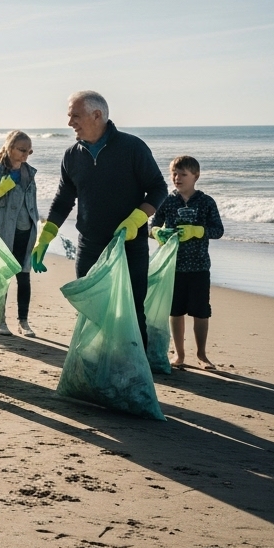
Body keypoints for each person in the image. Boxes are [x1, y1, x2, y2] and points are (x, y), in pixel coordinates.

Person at [32, 90, 168, 352]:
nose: (70, 122)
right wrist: (46, 234)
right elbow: (63, 200)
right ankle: (96, 364)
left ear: (97, 115)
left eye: (75, 116)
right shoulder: (72, 155)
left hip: (129, 244)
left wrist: (136, 219)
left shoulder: (132, 148)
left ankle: (134, 371)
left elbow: (158, 188)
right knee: (91, 307)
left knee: (132, 307)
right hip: (90, 245)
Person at [150, 155, 224, 369]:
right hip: (172, 266)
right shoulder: (167, 200)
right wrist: (157, 232)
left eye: (183, 174)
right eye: (174, 173)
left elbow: (218, 230)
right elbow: (151, 225)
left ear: (196, 176)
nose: (177, 178)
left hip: (199, 265)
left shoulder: (206, 201)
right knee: (175, 311)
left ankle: (202, 355)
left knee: (201, 311)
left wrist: (198, 231)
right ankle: (179, 354)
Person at [0, 130, 39, 337]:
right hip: (2, 231)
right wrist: (2, 187)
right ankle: (0, 320)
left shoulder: (30, 172)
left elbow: (32, 204)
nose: (26, 155)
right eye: (22, 150)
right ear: (10, 147)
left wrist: (38, 232)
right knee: (2, 278)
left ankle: (24, 322)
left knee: (24, 276)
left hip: (26, 232)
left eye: (29, 151)